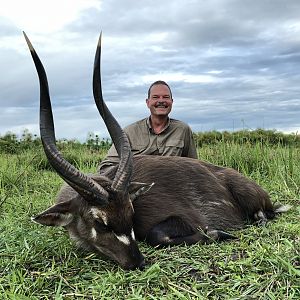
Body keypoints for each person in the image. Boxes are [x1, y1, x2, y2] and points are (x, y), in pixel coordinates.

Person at [98, 80, 198, 173]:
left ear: (172, 101)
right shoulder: (130, 132)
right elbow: (106, 167)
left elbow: (194, 166)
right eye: (155, 97)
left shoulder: (182, 129)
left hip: (171, 187)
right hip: (138, 187)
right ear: (148, 102)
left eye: (166, 97)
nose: (161, 101)